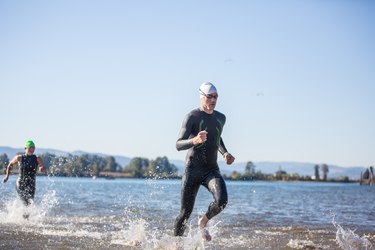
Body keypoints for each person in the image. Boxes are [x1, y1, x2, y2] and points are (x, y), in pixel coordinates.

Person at [174, 82, 235, 241]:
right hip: (193, 169)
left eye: (216, 96)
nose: (213, 100)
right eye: (210, 96)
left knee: (222, 201)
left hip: (211, 170)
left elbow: (217, 137)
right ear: (202, 96)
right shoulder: (192, 117)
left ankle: (203, 221)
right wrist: (194, 140)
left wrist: (225, 153)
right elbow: (178, 144)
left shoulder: (221, 118)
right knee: (184, 214)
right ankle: (176, 245)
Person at [3, 140, 46, 208]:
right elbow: (10, 165)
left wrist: (42, 168)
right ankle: (22, 216)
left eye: (33, 148)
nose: (32, 149)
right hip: (21, 183)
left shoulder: (37, 158)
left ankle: (25, 217)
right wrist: (7, 176)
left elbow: (43, 167)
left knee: (30, 203)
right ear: (25, 148)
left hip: (31, 183)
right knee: (25, 202)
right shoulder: (19, 157)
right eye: (30, 147)